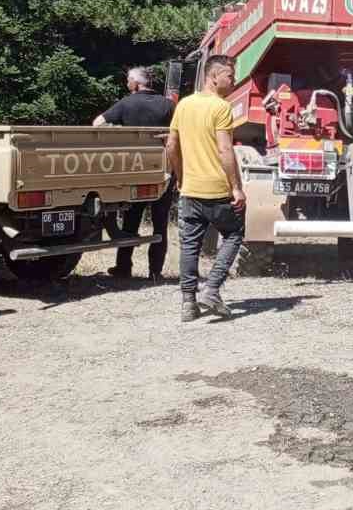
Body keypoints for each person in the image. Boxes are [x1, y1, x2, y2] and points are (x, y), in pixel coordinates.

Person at [165, 54, 246, 323]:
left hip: (190, 189)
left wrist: (180, 177)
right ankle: (211, 289)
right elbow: (225, 150)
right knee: (234, 234)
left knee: (189, 245)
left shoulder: (184, 105)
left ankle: (188, 303)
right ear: (214, 77)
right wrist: (236, 187)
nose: (233, 82)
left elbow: (171, 146)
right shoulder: (221, 107)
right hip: (217, 190)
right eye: (230, 76)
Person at [93, 68, 175, 280]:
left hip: (135, 171)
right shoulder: (168, 104)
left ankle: (123, 267)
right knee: (160, 224)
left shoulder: (126, 103)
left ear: (136, 84)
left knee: (130, 221)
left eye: (128, 80)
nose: (127, 83)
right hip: (162, 170)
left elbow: (97, 123)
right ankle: (155, 272)